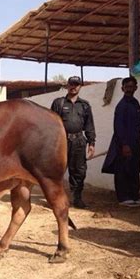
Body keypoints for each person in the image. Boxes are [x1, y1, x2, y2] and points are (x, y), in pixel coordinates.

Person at [101, 76, 140, 207]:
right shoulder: (121, 106)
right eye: (127, 87)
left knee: (134, 169)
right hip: (124, 144)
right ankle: (123, 198)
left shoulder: (134, 103)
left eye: (132, 87)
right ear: (122, 88)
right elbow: (118, 127)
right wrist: (124, 145)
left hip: (136, 142)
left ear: (136, 88)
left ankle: (134, 196)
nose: (129, 89)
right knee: (123, 170)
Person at [51, 76, 96, 209]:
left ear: (80, 86)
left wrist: (91, 143)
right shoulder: (58, 103)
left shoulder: (85, 105)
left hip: (78, 142)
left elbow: (89, 125)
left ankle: (77, 198)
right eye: (71, 84)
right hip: (61, 142)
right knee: (57, 171)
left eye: (76, 84)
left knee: (79, 171)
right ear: (67, 85)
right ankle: (55, 199)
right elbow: (51, 124)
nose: (74, 87)